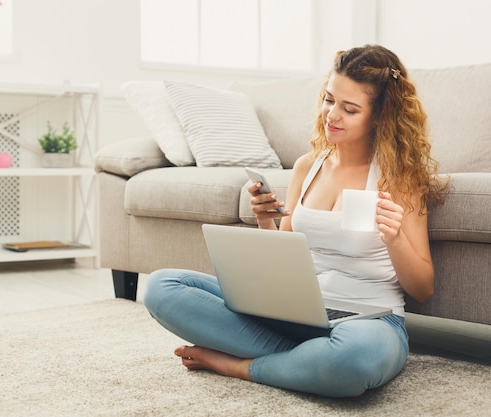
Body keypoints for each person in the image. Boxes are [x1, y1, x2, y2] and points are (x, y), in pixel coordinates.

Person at [143, 44, 449, 398]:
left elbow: (423, 289)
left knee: (354, 360)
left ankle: (239, 365)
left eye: (349, 109)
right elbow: (284, 259)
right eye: (329, 99)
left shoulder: (399, 179)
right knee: (162, 287)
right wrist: (264, 219)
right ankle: (305, 364)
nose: (332, 115)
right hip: (294, 312)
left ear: (380, 116)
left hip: (367, 322)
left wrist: (395, 238)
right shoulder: (308, 166)